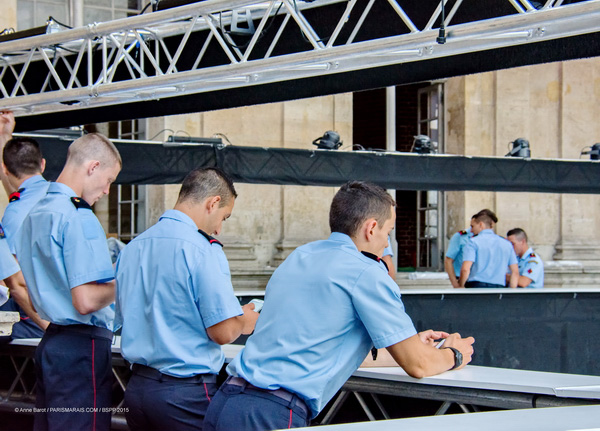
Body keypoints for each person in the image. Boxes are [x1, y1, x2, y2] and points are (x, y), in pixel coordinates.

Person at [204, 181, 475, 431]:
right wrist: (456, 354)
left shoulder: (300, 256)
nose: (386, 242)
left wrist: (409, 343)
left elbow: (323, 347)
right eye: (388, 232)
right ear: (371, 228)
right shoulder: (367, 273)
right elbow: (419, 365)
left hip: (225, 402)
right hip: (271, 414)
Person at [115, 167, 259, 431]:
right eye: (224, 217)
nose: (219, 228)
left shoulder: (133, 247)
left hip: (136, 389)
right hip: (184, 394)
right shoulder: (203, 249)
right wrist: (245, 320)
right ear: (213, 202)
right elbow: (223, 331)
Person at [16, 133, 121, 431]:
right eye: (109, 179)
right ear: (93, 166)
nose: (107, 190)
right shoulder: (78, 216)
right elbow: (86, 300)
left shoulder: (33, 213)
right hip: (81, 347)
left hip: (52, 341)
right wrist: (127, 281)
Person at [0, 112, 49, 336]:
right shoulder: (62, 196)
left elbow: (15, 283)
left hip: (35, 312)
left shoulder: (14, 213)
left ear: (7, 170)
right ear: (43, 164)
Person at [459, 209, 518, 288]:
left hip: (476, 286)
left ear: (481, 225)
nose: (471, 230)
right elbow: (515, 272)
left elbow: (465, 269)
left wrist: (461, 286)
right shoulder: (506, 244)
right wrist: (512, 292)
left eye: (472, 226)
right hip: (499, 287)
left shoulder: (472, 242)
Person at [445, 210, 498, 289]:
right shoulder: (461, 236)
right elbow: (448, 260)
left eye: (491, 226)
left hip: (483, 281)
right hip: (462, 279)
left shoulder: (493, 239)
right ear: (481, 223)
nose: (490, 229)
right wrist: (455, 284)